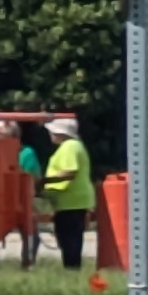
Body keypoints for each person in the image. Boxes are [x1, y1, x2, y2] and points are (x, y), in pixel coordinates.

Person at [45, 116, 98, 272]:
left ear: (60, 133)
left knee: (69, 239)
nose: (50, 134)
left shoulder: (70, 146)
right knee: (69, 238)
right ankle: (72, 268)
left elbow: (69, 172)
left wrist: (43, 182)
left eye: (52, 132)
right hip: (71, 201)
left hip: (71, 201)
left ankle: (72, 269)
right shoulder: (74, 146)